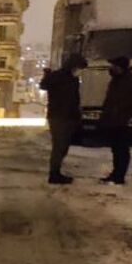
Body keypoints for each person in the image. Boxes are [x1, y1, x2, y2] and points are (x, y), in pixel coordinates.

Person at [40, 53, 88, 184]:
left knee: (63, 146)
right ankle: (54, 174)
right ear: (73, 66)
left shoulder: (72, 79)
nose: (79, 71)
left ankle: (56, 172)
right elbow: (43, 85)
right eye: (79, 68)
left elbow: (74, 100)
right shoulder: (59, 77)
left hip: (66, 116)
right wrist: (47, 75)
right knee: (59, 146)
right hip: (59, 116)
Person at [99, 56, 132, 185]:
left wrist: (123, 106)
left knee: (122, 149)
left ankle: (119, 176)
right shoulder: (116, 80)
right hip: (113, 119)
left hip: (123, 120)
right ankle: (116, 174)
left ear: (120, 67)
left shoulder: (131, 81)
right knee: (116, 148)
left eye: (113, 66)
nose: (111, 68)